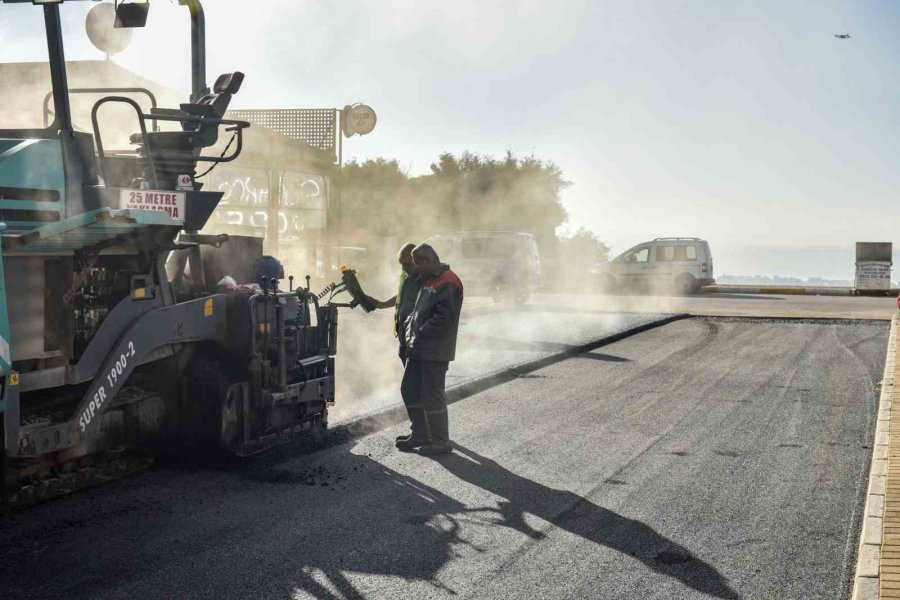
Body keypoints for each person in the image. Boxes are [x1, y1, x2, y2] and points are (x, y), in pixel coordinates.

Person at [396, 243, 464, 456]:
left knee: (432, 395)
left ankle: (441, 441)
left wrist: (420, 332)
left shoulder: (448, 282)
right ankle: (420, 434)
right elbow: (419, 311)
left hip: (434, 351)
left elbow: (444, 319)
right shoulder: (429, 279)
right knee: (409, 389)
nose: (414, 268)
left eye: (417, 263)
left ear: (428, 260)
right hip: (419, 348)